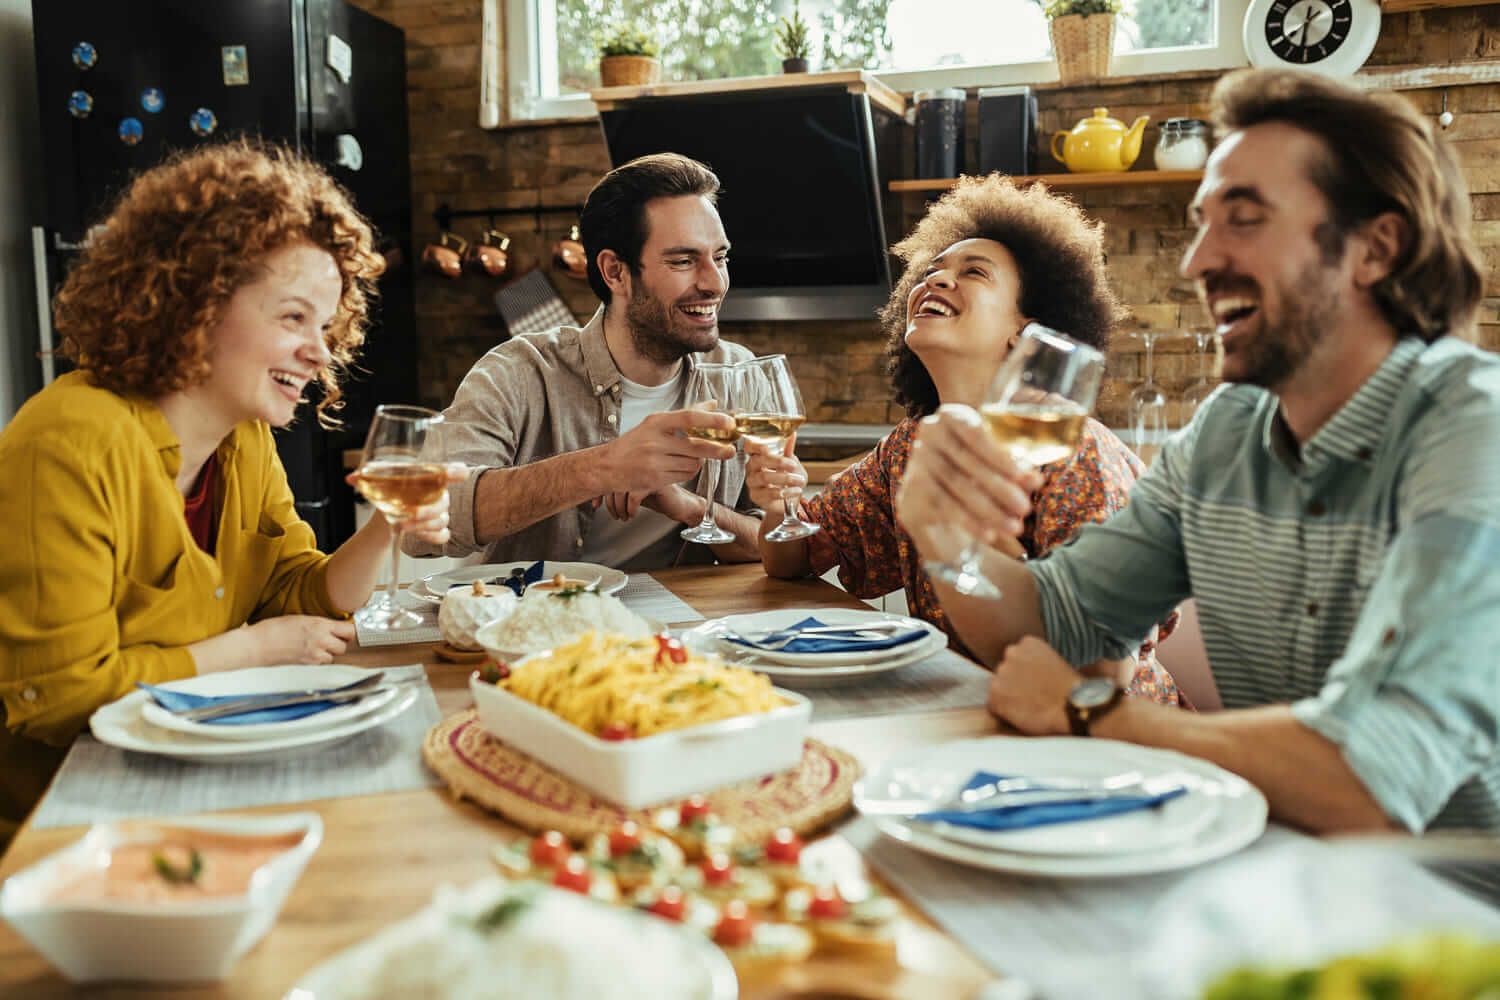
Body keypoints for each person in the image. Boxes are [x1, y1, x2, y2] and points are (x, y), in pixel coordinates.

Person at [894, 68, 1498, 834]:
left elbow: (1369, 780)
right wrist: (947, 546)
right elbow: (1052, 621)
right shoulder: (1228, 429)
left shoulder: (1476, 426)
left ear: (1376, 248)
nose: (1197, 260)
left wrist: (1094, 712)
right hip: (1278, 878)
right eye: (1202, 221)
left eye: (1243, 219)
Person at [0, 141, 458, 842]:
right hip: (72, 820)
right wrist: (253, 649)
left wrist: (385, 528)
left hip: (210, 769)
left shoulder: (242, 439)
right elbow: (58, 698)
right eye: (293, 317)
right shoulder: (67, 443)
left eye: (326, 325)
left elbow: (299, 594)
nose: (321, 352)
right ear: (195, 300)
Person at [744, 175, 1179, 704]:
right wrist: (778, 503)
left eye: (973, 273)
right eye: (929, 273)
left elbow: (1097, 671)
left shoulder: (1072, 450)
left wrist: (968, 547)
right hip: (976, 713)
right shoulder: (910, 447)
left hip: (1105, 745)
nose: (935, 282)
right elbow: (791, 557)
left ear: (1028, 332)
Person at [407, 153, 761, 571]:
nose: (715, 282)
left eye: (719, 257)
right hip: (532, 626)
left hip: (678, 630)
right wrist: (605, 466)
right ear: (615, 272)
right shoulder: (519, 370)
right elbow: (419, 521)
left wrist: (689, 507)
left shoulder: (738, 374)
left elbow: (767, 542)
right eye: (683, 261)